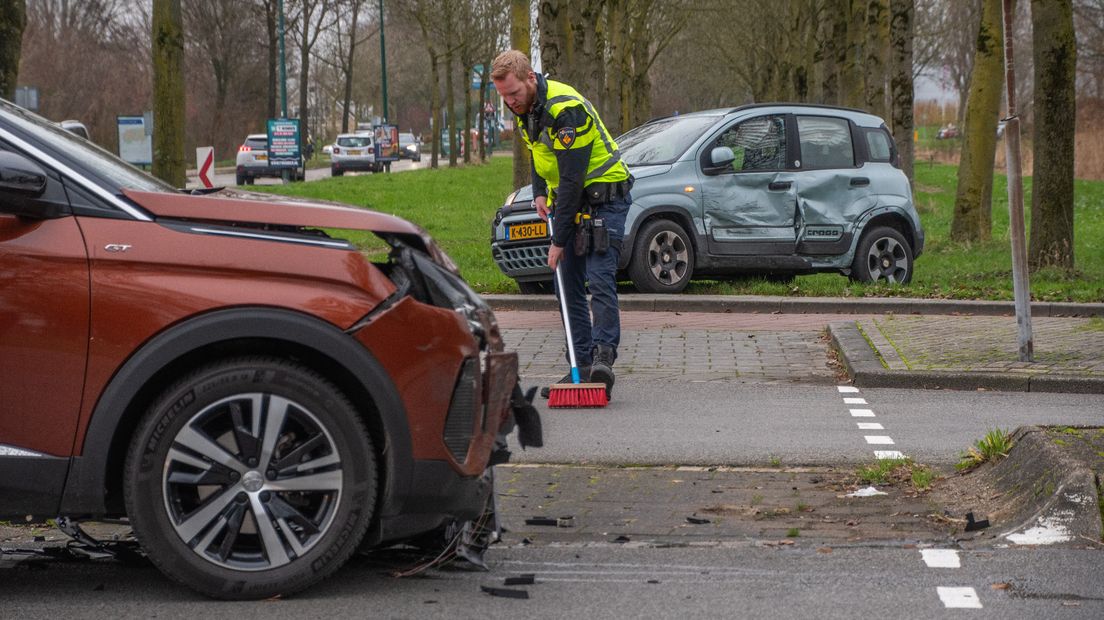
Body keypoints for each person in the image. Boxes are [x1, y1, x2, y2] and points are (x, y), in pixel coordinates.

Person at [491, 50, 632, 399]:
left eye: (514, 94)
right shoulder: (527, 110)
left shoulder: (565, 110)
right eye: (504, 97)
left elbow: (571, 179)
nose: (510, 103)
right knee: (565, 284)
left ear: (530, 79)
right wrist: (539, 192)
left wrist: (558, 240)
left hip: (605, 198)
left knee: (598, 278)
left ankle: (603, 359)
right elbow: (541, 155)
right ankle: (580, 365)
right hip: (568, 202)